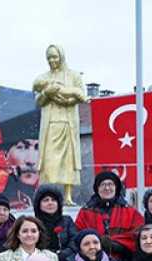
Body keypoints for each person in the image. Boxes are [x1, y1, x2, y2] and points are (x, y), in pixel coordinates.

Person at [33, 43, 87, 205]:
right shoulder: (44, 78)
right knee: (49, 162)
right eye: (49, 58)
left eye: (54, 57)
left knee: (68, 161)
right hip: (50, 125)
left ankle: (68, 196)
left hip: (68, 124)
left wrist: (66, 99)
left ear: (61, 56)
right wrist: (46, 93)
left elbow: (80, 95)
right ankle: (47, 194)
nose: (52, 61)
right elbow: (39, 101)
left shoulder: (73, 76)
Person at [75, 171, 144, 261]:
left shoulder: (130, 212)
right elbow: (78, 235)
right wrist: (97, 243)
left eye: (110, 184)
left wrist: (116, 244)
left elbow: (138, 234)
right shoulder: (85, 212)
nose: (107, 188)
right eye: (103, 185)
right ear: (97, 188)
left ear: (116, 188)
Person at [33, 184, 78, 261]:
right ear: (38, 204)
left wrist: (63, 254)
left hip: (66, 260)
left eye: (53, 200)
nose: (50, 203)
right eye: (46, 200)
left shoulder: (67, 221)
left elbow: (75, 241)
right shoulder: (33, 223)